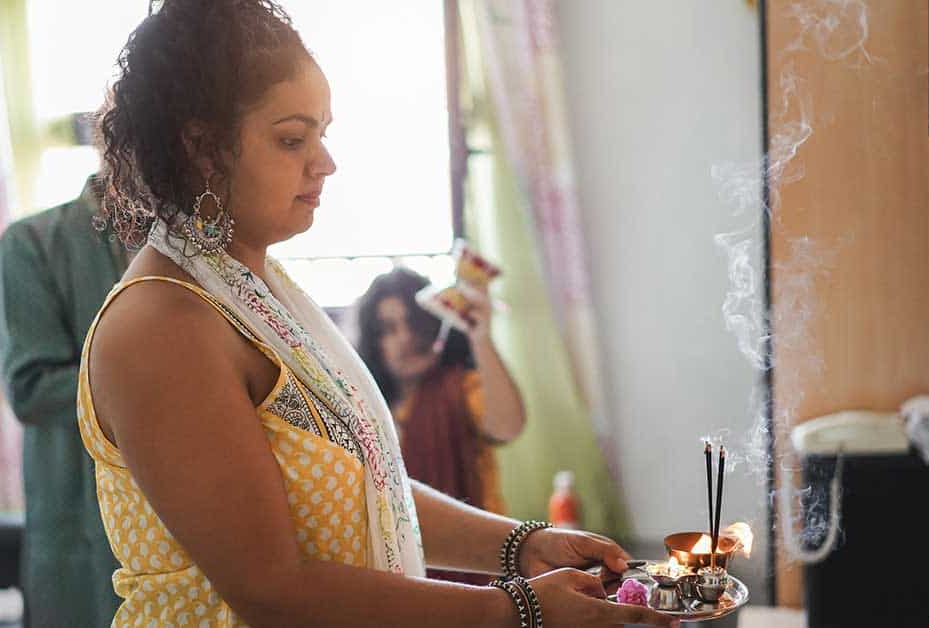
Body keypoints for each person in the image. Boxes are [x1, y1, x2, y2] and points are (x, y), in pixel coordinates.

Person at [78, 1, 677, 626]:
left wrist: (519, 546)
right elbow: (271, 590)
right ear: (201, 147)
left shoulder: (254, 289)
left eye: (322, 134)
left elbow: (365, 489)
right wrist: (520, 608)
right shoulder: (161, 326)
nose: (324, 162)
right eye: (291, 139)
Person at [0, 176, 127, 627]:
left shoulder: (195, 247)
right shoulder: (32, 243)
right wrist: (156, 384)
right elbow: (31, 390)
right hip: (81, 523)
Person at [354, 267, 524, 584]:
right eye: (389, 328)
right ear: (374, 342)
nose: (406, 337)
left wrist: (481, 337)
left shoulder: (462, 388)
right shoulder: (361, 412)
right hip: (396, 578)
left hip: (483, 573)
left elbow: (507, 426)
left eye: (415, 323)